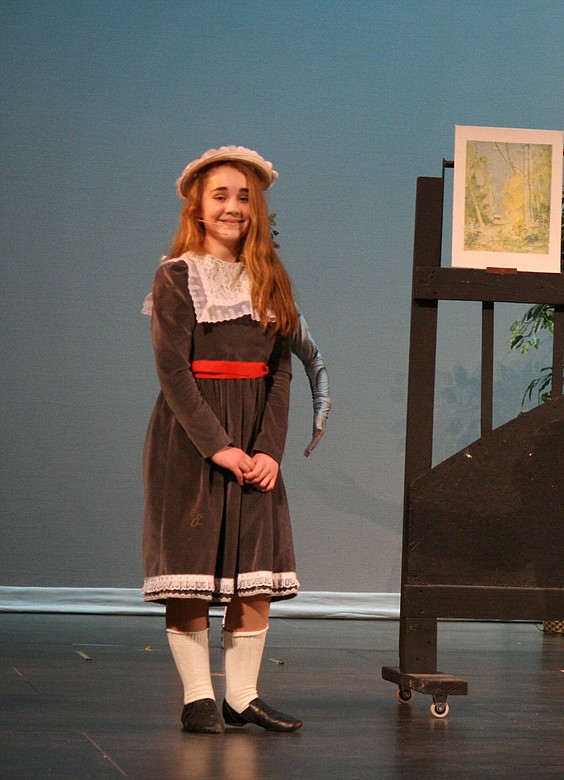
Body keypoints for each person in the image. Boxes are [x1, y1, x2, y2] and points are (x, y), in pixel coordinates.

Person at [142, 146, 305, 734]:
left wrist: (268, 451)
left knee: (252, 568)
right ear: (198, 207)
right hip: (192, 439)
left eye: (244, 197)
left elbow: (281, 371)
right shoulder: (177, 275)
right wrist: (218, 446)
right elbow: (173, 373)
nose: (234, 206)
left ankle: (241, 695)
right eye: (221, 196)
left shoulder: (271, 279)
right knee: (192, 562)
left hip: (255, 437)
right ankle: (197, 697)